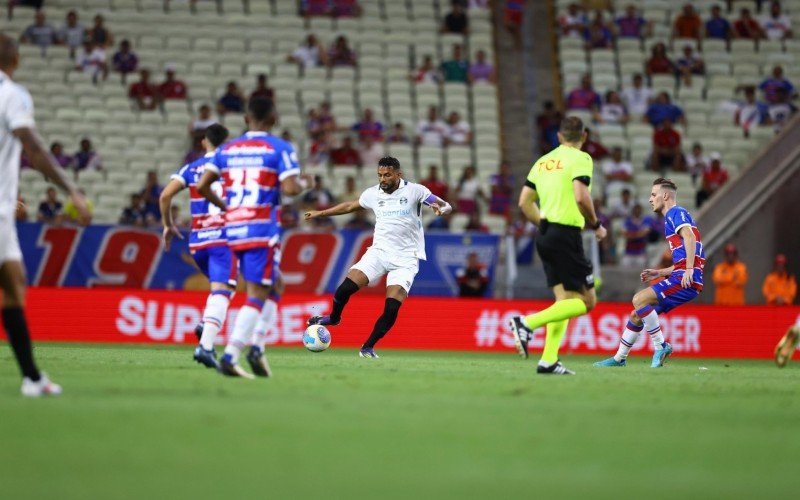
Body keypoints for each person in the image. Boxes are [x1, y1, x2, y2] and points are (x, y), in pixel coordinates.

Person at [0, 33, 90, 396]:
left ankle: (33, 378)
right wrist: (72, 190)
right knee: (12, 287)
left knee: (13, 280)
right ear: (17, 60)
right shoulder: (12, 94)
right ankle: (33, 378)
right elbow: (33, 148)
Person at [197, 98, 310, 378]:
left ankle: (257, 347)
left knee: (276, 284)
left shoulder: (227, 149)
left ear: (247, 118)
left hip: (233, 228)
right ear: (273, 118)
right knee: (258, 291)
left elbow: (202, 185)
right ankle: (232, 354)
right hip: (261, 227)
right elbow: (291, 188)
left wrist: (228, 208)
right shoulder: (279, 148)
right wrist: (307, 183)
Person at [304, 156, 453, 358]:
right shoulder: (373, 193)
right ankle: (334, 317)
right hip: (379, 252)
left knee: (391, 307)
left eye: (387, 175)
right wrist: (321, 213)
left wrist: (441, 208)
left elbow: (444, 205)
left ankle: (368, 347)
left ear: (398, 175)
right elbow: (349, 206)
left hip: (406, 259)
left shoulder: (415, 191)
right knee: (345, 288)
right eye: (380, 175)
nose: (383, 179)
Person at [509, 116, 607, 375]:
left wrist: (544, 226)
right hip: (566, 234)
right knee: (587, 302)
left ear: (559, 136)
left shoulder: (542, 162)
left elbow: (524, 203)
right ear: (584, 137)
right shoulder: (581, 158)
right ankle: (527, 322)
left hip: (546, 233)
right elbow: (580, 195)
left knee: (565, 299)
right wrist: (596, 224)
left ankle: (548, 359)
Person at [594, 178, 705, 368]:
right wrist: (659, 272)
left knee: (639, 299)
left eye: (654, 195)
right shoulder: (672, 217)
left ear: (666, 195)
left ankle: (661, 346)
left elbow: (690, 236)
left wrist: (688, 269)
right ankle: (619, 358)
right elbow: (683, 258)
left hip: (687, 278)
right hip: (684, 274)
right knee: (637, 314)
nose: (650, 199)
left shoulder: (675, 212)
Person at [159, 124, 236, 369]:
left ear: (204, 142)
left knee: (224, 288)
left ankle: (206, 323)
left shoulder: (191, 168)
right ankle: (205, 347)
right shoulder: (231, 165)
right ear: (226, 143)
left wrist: (168, 225)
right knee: (223, 291)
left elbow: (164, 196)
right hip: (223, 239)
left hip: (198, 241)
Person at [621, 204, 652, 268]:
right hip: (628, 253)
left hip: (640, 252)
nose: (637, 211)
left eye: (638, 209)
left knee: (641, 267)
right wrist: (637, 235)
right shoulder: (628, 220)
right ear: (633, 211)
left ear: (641, 210)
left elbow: (645, 232)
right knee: (625, 264)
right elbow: (623, 233)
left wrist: (631, 235)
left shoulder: (645, 220)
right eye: (635, 209)